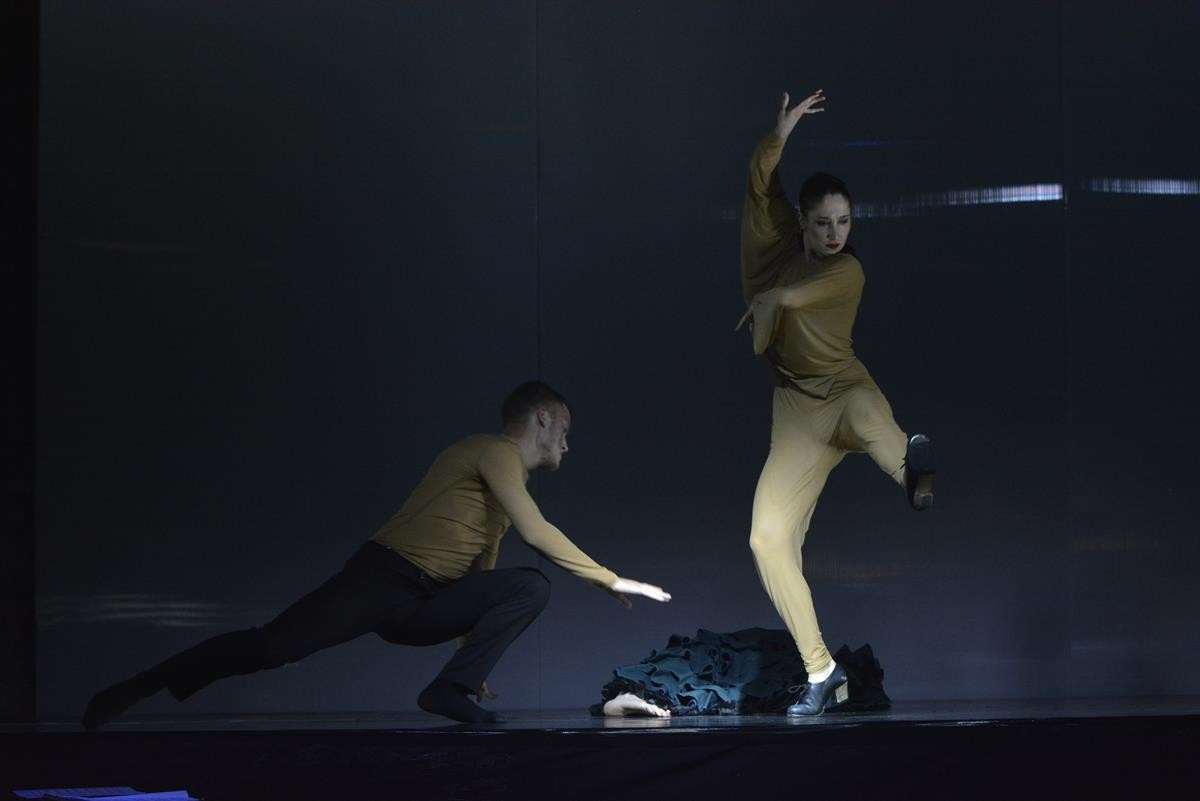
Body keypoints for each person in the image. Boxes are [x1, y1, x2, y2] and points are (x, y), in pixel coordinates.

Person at [82, 381, 671, 727]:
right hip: (381, 580)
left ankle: (450, 690)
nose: (567, 443)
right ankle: (145, 684)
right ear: (541, 418)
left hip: (425, 604)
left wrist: (471, 657)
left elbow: (483, 569)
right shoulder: (492, 450)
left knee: (528, 586)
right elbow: (537, 532)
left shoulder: (504, 482)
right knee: (271, 647)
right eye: (564, 429)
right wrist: (609, 579)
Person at [736, 88, 936, 716]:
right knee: (767, 540)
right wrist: (782, 133)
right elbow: (760, 179)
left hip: (845, 389)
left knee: (875, 424)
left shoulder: (848, 271)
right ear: (801, 219)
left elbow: (796, 298)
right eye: (823, 222)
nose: (834, 233)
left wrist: (771, 301)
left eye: (844, 222)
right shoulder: (775, 239)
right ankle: (822, 672)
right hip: (797, 413)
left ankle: (913, 474)